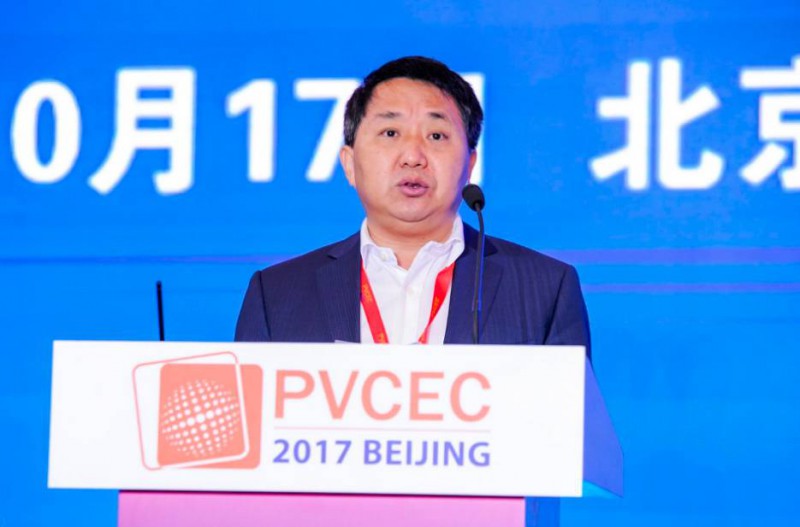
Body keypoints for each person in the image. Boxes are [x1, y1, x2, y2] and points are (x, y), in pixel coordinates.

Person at [235, 56, 591, 358]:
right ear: (349, 163)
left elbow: (569, 418)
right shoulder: (277, 294)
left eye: (436, 136)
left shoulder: (545, 289)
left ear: (469, 164)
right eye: (390, 133)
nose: (412, 156)